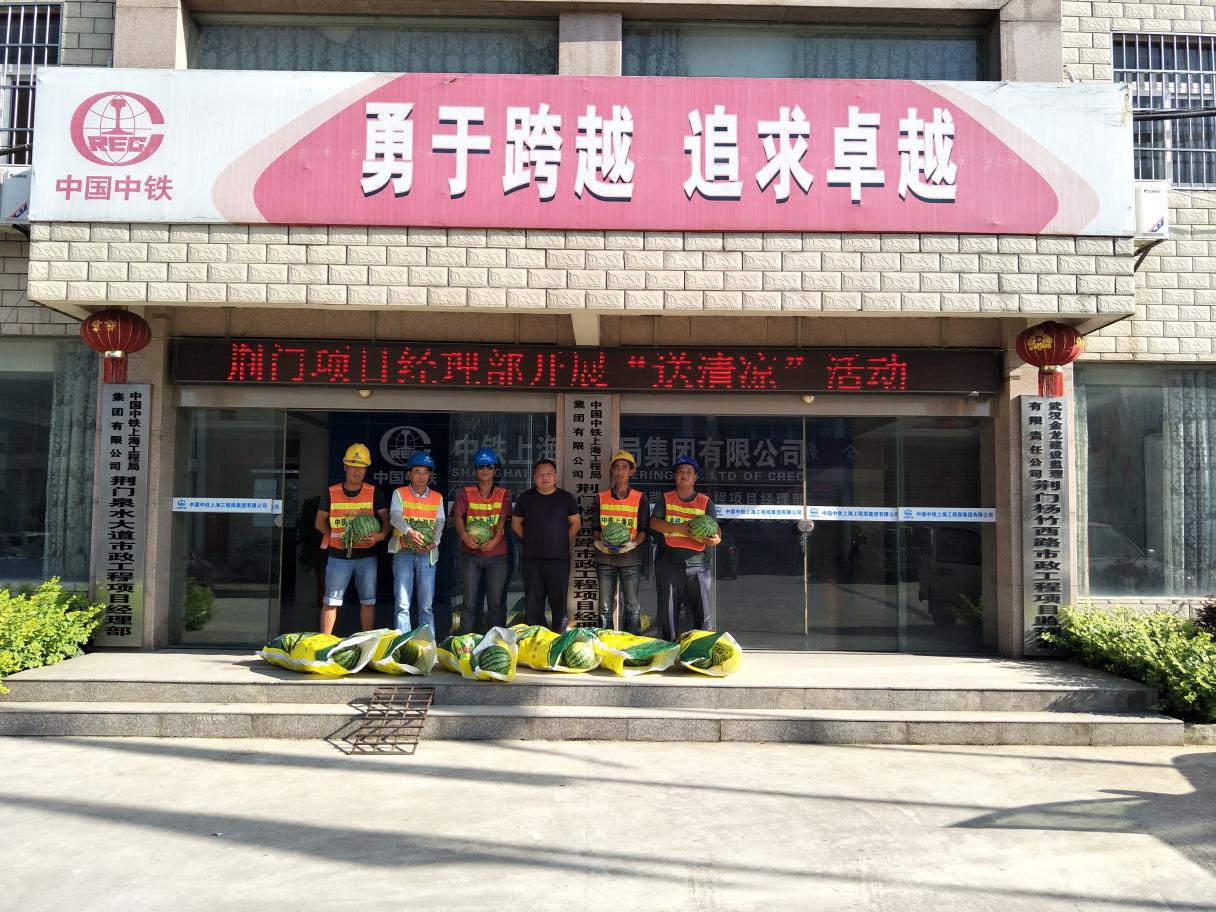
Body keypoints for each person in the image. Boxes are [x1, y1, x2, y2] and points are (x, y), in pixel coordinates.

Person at [314, 443, 389, 635]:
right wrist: (335, 536)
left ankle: (367, 640)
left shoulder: (374, 493)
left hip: (366, 556)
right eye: (353, 466)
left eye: (361, 467)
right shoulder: (332, 492)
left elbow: (387, 520)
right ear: (345, 467)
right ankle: (325, 642)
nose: (357, 471)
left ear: (366, 469)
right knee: (331, 601)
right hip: (338, 556)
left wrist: (380, 536)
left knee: (368, 601)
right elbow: (319, 522)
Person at [649, 454, 721, 642]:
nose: (684, 474)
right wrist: (679, 528)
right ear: (675, 476)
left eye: (689, 471)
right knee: (668, 613)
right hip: (669, 564)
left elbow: (715, 530)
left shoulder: (705, 502)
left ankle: (701, 649)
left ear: (695, 477)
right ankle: (669, 650)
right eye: (680, 471)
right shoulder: (666, 499)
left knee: (702, 613)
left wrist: (715, 539)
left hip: (699, 565)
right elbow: (654, 523)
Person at [510, 458, 580, 632]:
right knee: (533, 603)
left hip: (559, 558)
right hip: (532, 558)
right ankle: (535, 637)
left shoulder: (566, 498)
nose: (545, 477)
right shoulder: (526, 498)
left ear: (555, 476)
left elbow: (576, 523)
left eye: (549, 474)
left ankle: (559, 637)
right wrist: (529, 539)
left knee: (559, 603)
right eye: (541, 474)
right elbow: (515, 523)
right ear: (534, 477)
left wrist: (562, 541)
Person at [452, 446, 512, 633]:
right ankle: (466, 640)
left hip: (497, 555)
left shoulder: (503, 493)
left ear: (495, 470)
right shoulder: (466, 492)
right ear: (475, 470)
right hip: (471, 554)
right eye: (481, 467)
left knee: (495, 602)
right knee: (469, 602)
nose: (485, 470)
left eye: (489, 466)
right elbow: (457, 516)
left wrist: (494, 541)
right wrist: (464, 536)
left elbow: (502, 519)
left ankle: (495, 641)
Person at [593, 450, 650, 634]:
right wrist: (598, 543)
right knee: (604, 607)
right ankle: (605, 642)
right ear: (612, 471)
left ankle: (630, 643)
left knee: (632, 606)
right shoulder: (601, 497)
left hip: (630, 559)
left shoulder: (640, 498)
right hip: (605, 559)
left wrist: (633, 544)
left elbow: (644, 529)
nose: (620, 471)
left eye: (624, 467)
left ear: (631, 471)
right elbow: (595, 528)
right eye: (616, 467)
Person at [389, 450, 444, 635]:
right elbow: (395, 516)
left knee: (426, 606)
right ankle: (403, 644)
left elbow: (440, 522)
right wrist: (409, 531)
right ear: (409, 474)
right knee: (402, 605)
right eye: (417, 472)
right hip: (403, 551)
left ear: (430, 475)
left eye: (425, 472)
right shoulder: (399, 493)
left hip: (427, 554)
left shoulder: (437, 497)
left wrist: (435, 542)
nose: (421, 476)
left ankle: (426, 644)